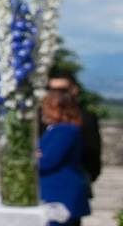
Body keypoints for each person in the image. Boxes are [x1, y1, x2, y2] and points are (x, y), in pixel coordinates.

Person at [39, 90, 90, 226]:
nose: (43, 111)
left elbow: (47, 162)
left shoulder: (65, 130)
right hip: (57, 193)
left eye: (47, 107)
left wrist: (36, 156)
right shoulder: (56, 129)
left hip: (61, 195)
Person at [47, 72, 101, 194]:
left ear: (74, 90)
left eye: (62, 90)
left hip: (73, 188)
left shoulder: (87, 119)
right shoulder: (38, 118)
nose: (57, 95)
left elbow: (92, 155)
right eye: (52, 90)